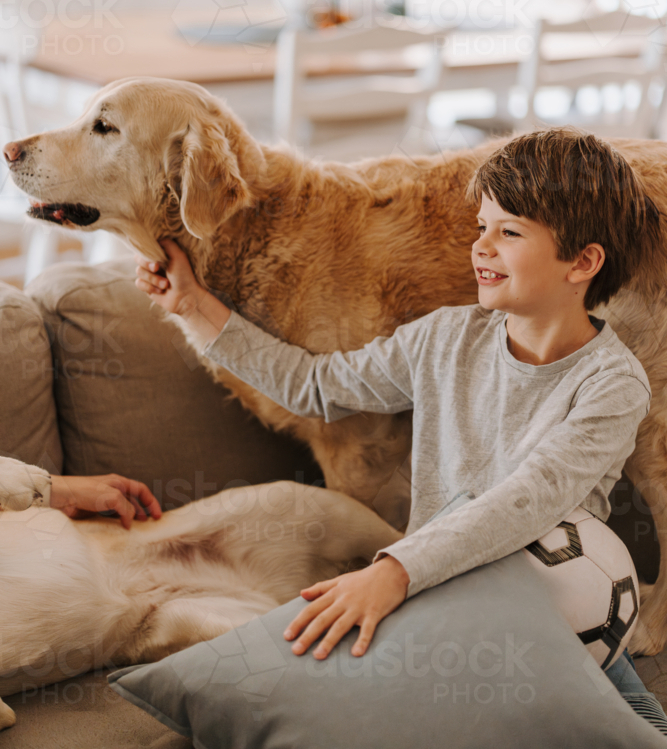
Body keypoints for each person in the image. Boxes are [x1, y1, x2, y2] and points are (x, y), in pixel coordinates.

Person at [135, 127, 666, 729]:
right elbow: (316, 386)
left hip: (550, 604)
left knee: (631, 723)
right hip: (438, 587)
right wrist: (192, 306)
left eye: (509, 232)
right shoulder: (445, 337)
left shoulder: (614, 385)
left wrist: (393, 571)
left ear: (584, 262)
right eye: (481, 227)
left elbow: (529, 499)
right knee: (245, 688)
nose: (482, 247)